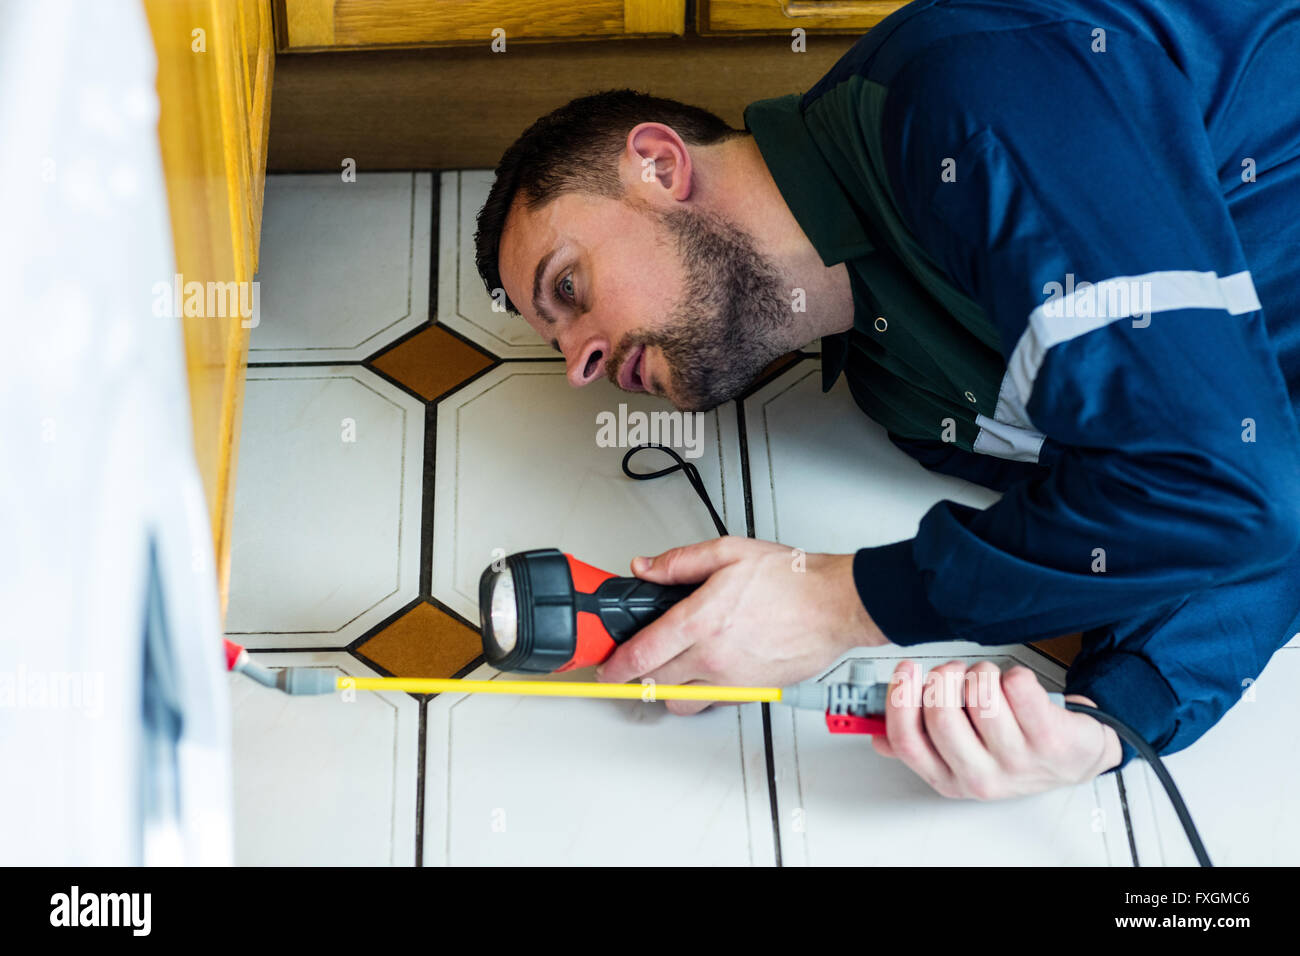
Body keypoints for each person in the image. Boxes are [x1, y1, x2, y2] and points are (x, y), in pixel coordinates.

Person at [472, 0, 1300, 799]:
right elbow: (1227, 505)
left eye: (569, 286)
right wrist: (1107, 719)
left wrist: (838, 601)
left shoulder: (964, 89)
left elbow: (1223, 481)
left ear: (659, 164)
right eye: (556, 348)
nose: (577, 364)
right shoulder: (905, 400)